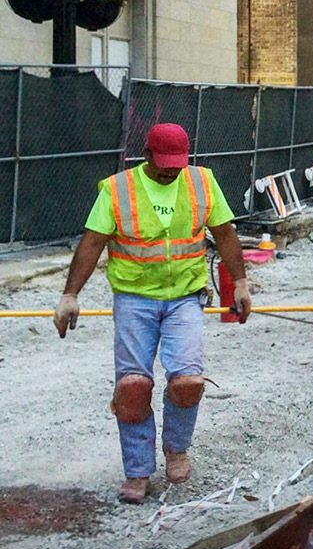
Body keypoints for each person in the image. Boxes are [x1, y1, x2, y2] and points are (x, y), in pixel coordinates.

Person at [52, 123, 252, 505]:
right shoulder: (117, 190)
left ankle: (176, 449)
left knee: (187, 383)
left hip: (185, 297)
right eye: (163, 166)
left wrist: (240, 283)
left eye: (177, 166)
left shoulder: (202, 183)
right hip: (134, 300)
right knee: (132, 389)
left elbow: (224, 234)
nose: (170, 172)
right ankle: (137, 471)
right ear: (146, 156)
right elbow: (93, 241)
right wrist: (70, 294)